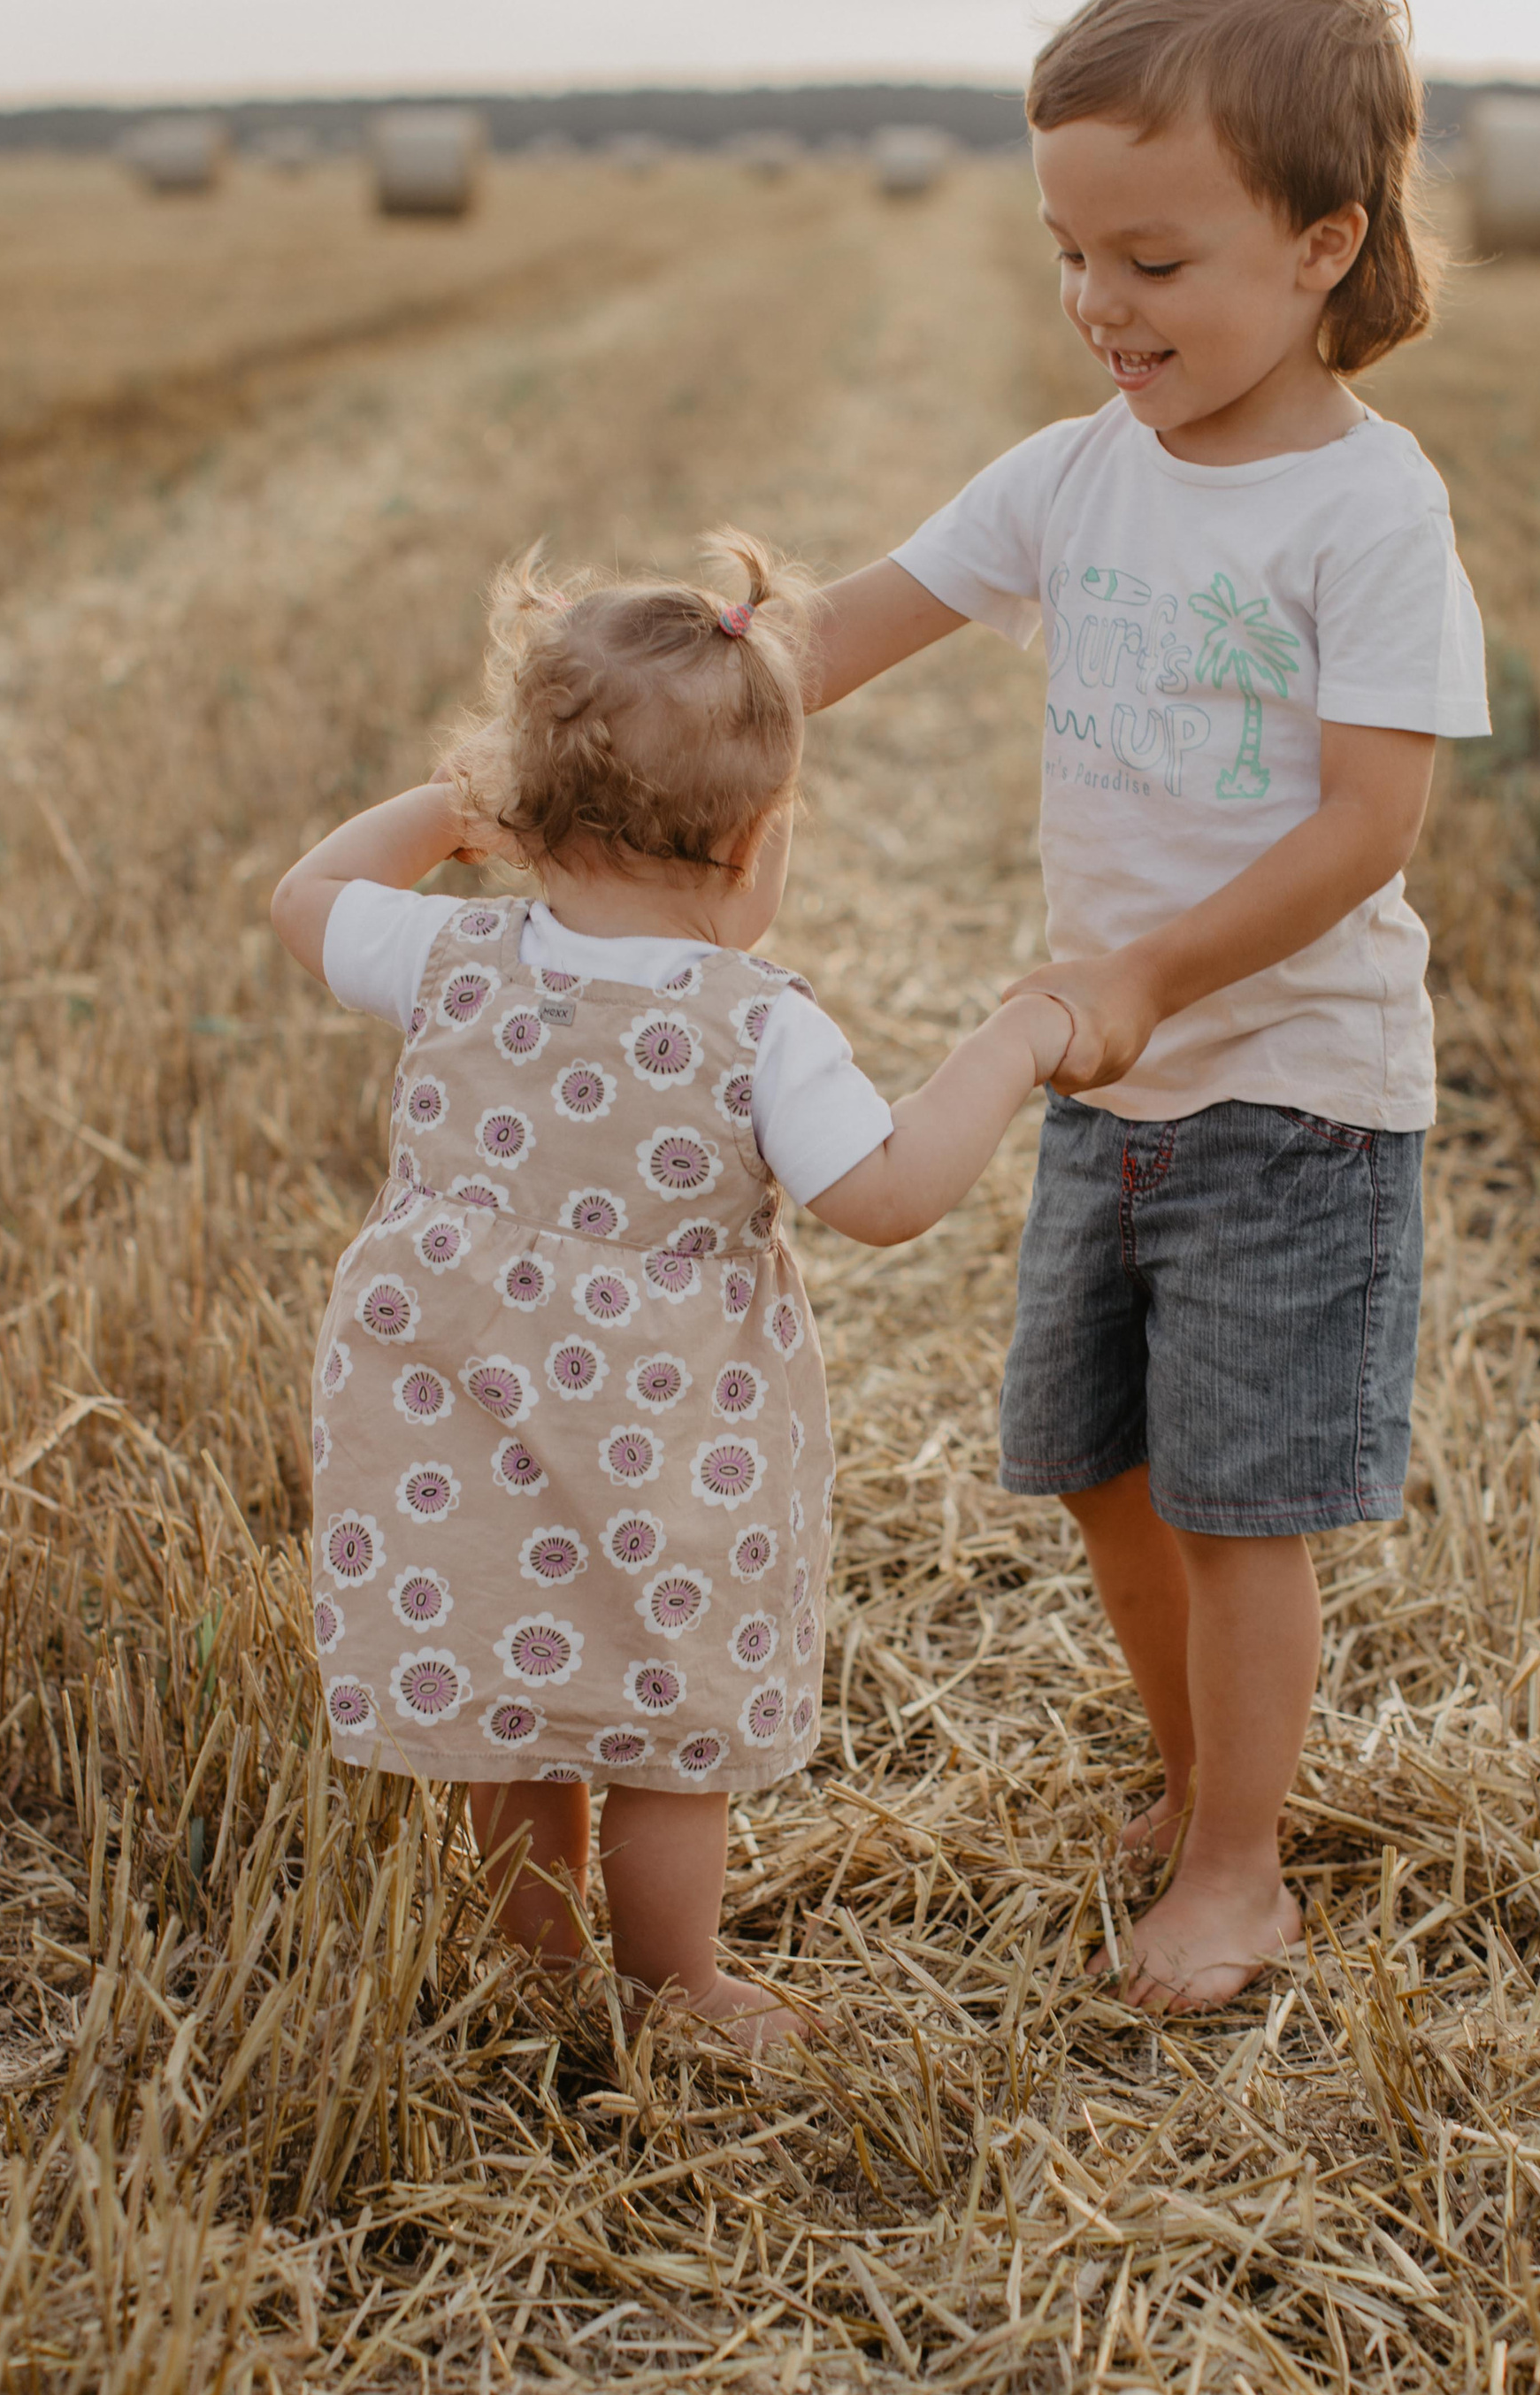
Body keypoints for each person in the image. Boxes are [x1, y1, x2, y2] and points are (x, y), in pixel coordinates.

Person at [805, 0, 1491, 2011]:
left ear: (1318, 244)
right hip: (1117, 1090)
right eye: (1068, 253)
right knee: (1099, 1470)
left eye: (1154, 259)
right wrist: (638, 694)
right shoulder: (1074, 475)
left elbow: (1364, 824)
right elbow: (838, 631)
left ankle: (1238, 1868)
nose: (1098, 302)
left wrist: (1148, 975)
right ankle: (1198, 1785)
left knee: (1230, 1505)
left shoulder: (1364, 511)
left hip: (1290, 1092)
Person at [272, 536, 1070, 2051]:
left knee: (518, 1690)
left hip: (462, 1425)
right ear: (759, 842)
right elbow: (887, 1196)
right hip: (663, 1449)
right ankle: (675, 1984)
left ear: (522, 809)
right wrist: (1013, 1045)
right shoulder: (755, 1024)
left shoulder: (450, 953)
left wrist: (454, 811)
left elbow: (307, 891)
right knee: (664, 1717)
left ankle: (540, 1968)